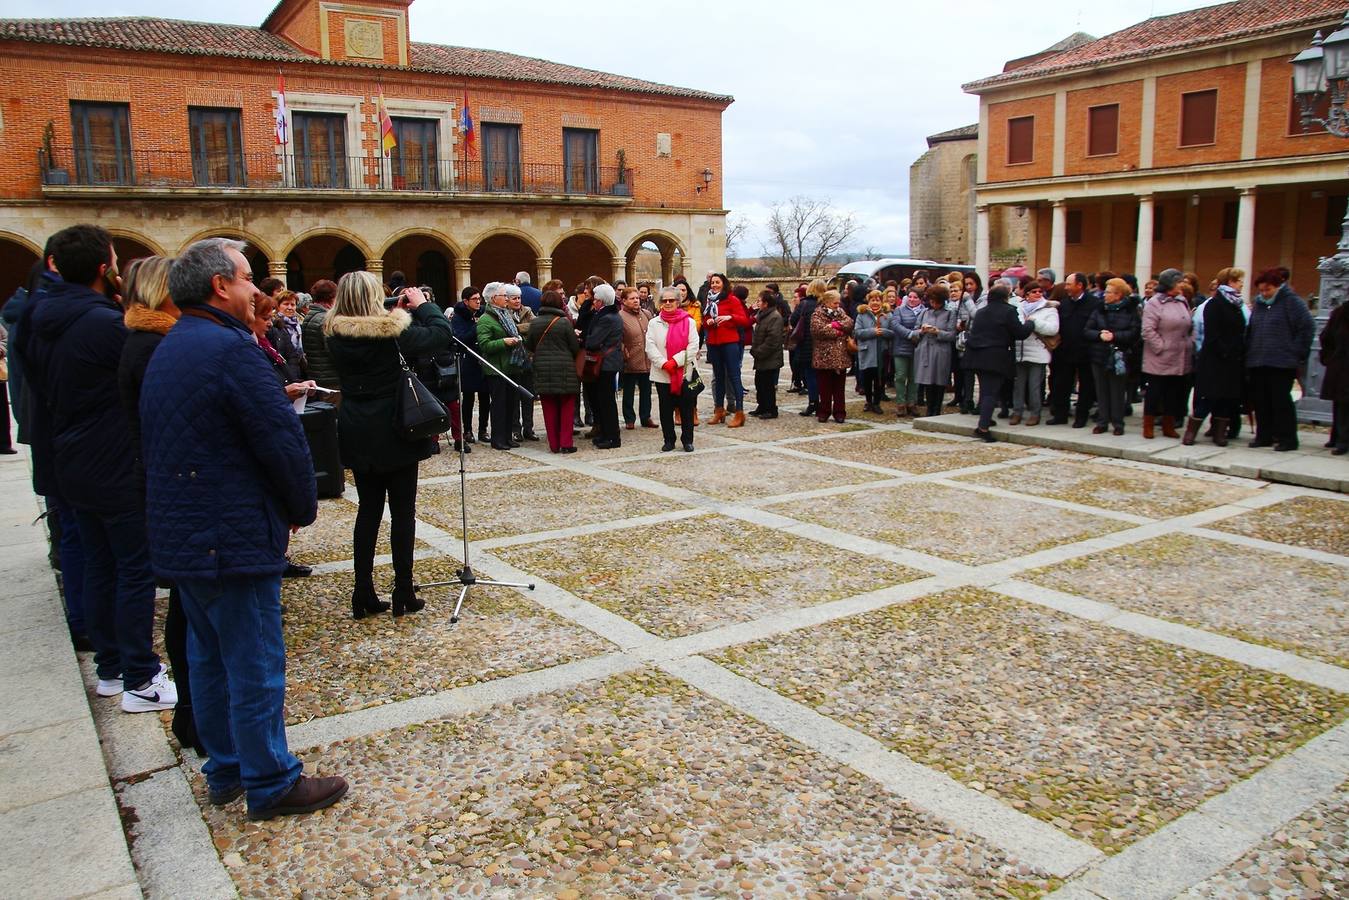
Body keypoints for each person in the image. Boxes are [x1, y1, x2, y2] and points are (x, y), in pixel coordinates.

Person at [141, 238, 345, 820]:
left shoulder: (174, 343)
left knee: (207, 658)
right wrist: (300, 505)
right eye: (248, 277)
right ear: (218, 286)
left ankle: (225, 768)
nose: (257, 289)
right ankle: (272, 778)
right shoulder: (231, 350)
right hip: (228, 530)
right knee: (253, 659)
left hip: (189, 530)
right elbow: (279, 439)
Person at [26, 224, 176, 714]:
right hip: (112, 456)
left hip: (69, 453)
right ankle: (141, 677)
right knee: (133, 567)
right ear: (102, 268)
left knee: (94, 562)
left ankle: (110, 666)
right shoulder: (104, 325)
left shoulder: (35, 316)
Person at [115, 255, 202, 752]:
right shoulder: (153, 347)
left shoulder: (150, 342)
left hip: (165, 482)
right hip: (175, 487)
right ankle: (191, 713)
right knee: (188, 610)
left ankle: (192, 714)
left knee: (187, 607)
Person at [325, 273, 451, 615]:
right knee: (402, 512)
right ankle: (403, 590)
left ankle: (362, 590)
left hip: (355, 423)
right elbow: (441, 335)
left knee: (368, 510)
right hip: (393, 427)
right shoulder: (391, 331)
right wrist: (425, 306)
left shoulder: (333, 333)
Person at [1246, 268, 1314, 451]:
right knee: (1261, 401)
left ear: (1277, 287)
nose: (1264, 294)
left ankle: (1287, 438)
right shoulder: (1259, 304)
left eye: (1268, 290)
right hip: (1258, 360)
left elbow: (1306, 327)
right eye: (1261, 290)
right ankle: (1264, 435)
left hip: (1282, 362)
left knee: (1281, 402)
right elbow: (1252, 329)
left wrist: (1297, 352)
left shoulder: (1292, 302)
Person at [961, 284, 1035, 441]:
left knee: (985, 390)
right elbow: (1020, 333)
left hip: (976, 355)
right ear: (1005, 297)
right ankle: (983, 428)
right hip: (995, 356)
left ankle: (986, 418)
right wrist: (1030, 323)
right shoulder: (1008, 311)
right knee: (990, 393)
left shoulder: (981, 312)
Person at [1186, 268, 1246, 446]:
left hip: (1232, 361)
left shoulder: (1237, 305)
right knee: (1209, 397)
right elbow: (1212, 334)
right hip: (1215, 359)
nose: (1242, 283)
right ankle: (1191, 432)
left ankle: (1220, 433)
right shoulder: (1214, 304)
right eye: (1239, 280)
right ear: (1230, 282)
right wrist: (1226, 351)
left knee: (1225, 399)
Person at [1140, 268, 1194, 439]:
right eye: (1179, 282)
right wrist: (1161, 347)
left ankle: (1168, 425)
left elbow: (1189, 324)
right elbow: (1148, 330)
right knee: (1155, 392)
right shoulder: (1155, 303)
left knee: (1173, 392)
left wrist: (1189, 342)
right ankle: (1148, 426)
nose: (1182, 285)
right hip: (1159, 356)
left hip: (1179, 355)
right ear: (1169, 284)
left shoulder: (1182, 301)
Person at [525, 290, 581, 453]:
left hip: (542, 369)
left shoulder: (535, 323)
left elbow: (529, 346)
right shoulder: (564, 322)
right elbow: (574, 347)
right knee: (566, 406)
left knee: (548, 408)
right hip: (565, 369)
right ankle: (566, 443)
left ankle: (554, 445)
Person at [1083, 277, 1140, 435]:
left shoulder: (1131, 311)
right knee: (1101, 390)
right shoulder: (1099, 309)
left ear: (1118, 294)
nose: (1104, 295)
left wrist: (1115, 336)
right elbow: (1087, 330)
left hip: (1119, 355)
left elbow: (1134, 332)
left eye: (1108, 292)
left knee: (1117, 390)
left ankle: (1118, 423)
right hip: (1099, 354)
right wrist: (1100, 334)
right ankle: (1102, 421)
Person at [647, 286, 699, 451]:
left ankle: (687, 440)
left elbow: (693, 346)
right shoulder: (654, 323)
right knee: (665, 409)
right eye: (664, 300)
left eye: (671, 300)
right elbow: (650, 346)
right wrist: (663, 363)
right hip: (662, 373)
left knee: (686, 408)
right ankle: (669, 439)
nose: (668, 303)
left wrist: (675, 362)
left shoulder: (689, 321)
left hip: (684, 372)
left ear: (678, 302)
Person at [1047, 273, 1101, 427]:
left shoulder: (1094, 303)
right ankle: (1060, 415)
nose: (1066, 288)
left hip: (1085, 352)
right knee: (1061, 384)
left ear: (1080, 285)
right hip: (1064, 351)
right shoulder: (1064, 304)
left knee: (1086, 386)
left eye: (1069, 284)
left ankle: (1081, 417)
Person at [477, 282, 526, 451]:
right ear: (493, 299)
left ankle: (507, 436)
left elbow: (516, 333)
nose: (506, 299)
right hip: (496, 369)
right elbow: (484, 345)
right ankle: (498, 438)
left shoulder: (506, 315)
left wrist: (518, 340)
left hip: (511, 366)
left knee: (511, 404)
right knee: (499, 404)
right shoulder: (485, 319)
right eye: (503, 296)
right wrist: (503, 342)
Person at [703, 274, 751, 427]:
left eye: (717, 282)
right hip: (714, 343)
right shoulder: (710, 300)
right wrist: (709, 321)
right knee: (718, 377)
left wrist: (730, 317)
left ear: (724, 284)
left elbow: (744, 320)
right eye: (712, 283)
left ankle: (739, 412)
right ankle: (719, 410)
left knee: (734, 377)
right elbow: (705, 320)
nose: (714, 285)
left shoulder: (732, 299)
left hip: (730, 342)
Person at [1009, 283, 1059, 426]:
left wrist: (1033, 322)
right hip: (1020, 350)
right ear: (1026, 294)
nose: (1038, 294)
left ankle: (1035, 413)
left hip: (1038, 351)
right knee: (1018, 385)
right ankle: (1017, 412)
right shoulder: (1018, 308)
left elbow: (1053, 329)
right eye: (1034, 291)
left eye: (1040, 291)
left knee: (1034, 386)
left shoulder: (1049, 309)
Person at [583, 283, 624, 448]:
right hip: (609, 362)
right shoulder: (611, 314)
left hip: (606, 364)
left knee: (607, 402)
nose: (594, 302)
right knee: (604, 401)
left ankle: (612, 437)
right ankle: (607, 434)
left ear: (602, 301)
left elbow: (593, 341)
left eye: (596, 299)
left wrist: (584, 338)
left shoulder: (606, 318)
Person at [452, 286, 490, 444]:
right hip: (468, 360)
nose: (478, 302)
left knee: (485, 396)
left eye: (479, 298)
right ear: (466, 301)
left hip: (483, 358)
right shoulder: (458, 316)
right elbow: (460, 338)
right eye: (475, 299)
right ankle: (467, 429)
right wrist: (476, 326)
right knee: (468, 397)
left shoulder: (482, 312)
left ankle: (483, 429)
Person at [913, 284, 957, 418]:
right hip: (925, 349)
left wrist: (938, 332)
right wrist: (922, 331)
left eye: (936, 302)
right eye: (931, 301)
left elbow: (951, 334)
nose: (933, 304)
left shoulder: (949, 314)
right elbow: (915, 330)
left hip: (941, 351)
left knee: (939, 381)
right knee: (927, 381)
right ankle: (929, 408)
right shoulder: (924, 312)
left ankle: (937, 409)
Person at [810, 289, 853, 423]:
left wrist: (836, 325)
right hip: (824, 357)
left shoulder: (841, 312)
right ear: (827, 302)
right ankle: (824, 411)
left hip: (840, 357)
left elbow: (849, 323)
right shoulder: (817, 314)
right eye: (835, 303)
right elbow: (818, 331)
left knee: (839, 388)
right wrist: (839, 333)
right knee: (824, 387)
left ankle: (840, 412)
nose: (837, 305)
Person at [618, 286, 656, 430]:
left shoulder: (646, 313)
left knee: (646, 391)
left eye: (637, 298)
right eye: (632, 298)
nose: (636, 301)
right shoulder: (620, 316)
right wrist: (624, 352)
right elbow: (618, 338)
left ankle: (646, 417)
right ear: (624, 301)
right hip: (630, 360)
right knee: (628, 391)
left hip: (646, 359)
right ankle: (629, 418)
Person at [790, 279, 825, 416]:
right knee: (822, 376)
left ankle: (813, 402)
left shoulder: (804, 304)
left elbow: (793, 321)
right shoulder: (824, 304)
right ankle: (824, 402)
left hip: (806, 344)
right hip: (822, 344)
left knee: (810, 375)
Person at [853, 290, 892, 413]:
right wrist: (872, 332)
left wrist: (883, 332)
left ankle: (877, 402)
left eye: (877, 300)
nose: (875, 303)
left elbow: (892, 332)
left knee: (880, 378)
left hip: (882, 352)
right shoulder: (862, 315)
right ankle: (868, 401)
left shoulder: (888, 315)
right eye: (872, 300)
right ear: (868, 301)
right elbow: (857, 332)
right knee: (867, 378)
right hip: (867, 351)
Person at [888, 285, 923, 417]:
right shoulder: (899, 310)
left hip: (917, 348)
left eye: (915, 297)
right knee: (901, 376)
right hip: (901, 347)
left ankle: (911, 402)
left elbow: (924, 327)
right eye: (910, 297)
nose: (912, 299)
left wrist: (918, 334)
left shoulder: (924, 311)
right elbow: (896, 325)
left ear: (920, 299)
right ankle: (900, 403)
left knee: (914, 378)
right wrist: (911, 334)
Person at [1320, 297, 1349, 455]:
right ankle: (1339, 438)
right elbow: (1326, 337)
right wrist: (1329, 357)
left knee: (1343, 403)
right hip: (1341, 364)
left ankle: (1341, 438)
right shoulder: (1339, 313)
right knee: (1341, 403)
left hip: (1340, 364)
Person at [750, 288, 784, 418]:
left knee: (768, 385)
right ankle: (762, 406)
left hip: (769, 357)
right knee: (759, 383)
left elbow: (773, 340)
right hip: (761, 357)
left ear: (766, 303)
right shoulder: (762, 315)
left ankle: (770, 409)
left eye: (760, 301)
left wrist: (758, 352)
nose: (758, 303)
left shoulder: (774, 317)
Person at [301, 279, 339, 390]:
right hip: (330, 379)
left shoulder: (310, 315)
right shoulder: (325, 319)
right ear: (331, 298)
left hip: (316, 376)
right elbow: (333, 351)